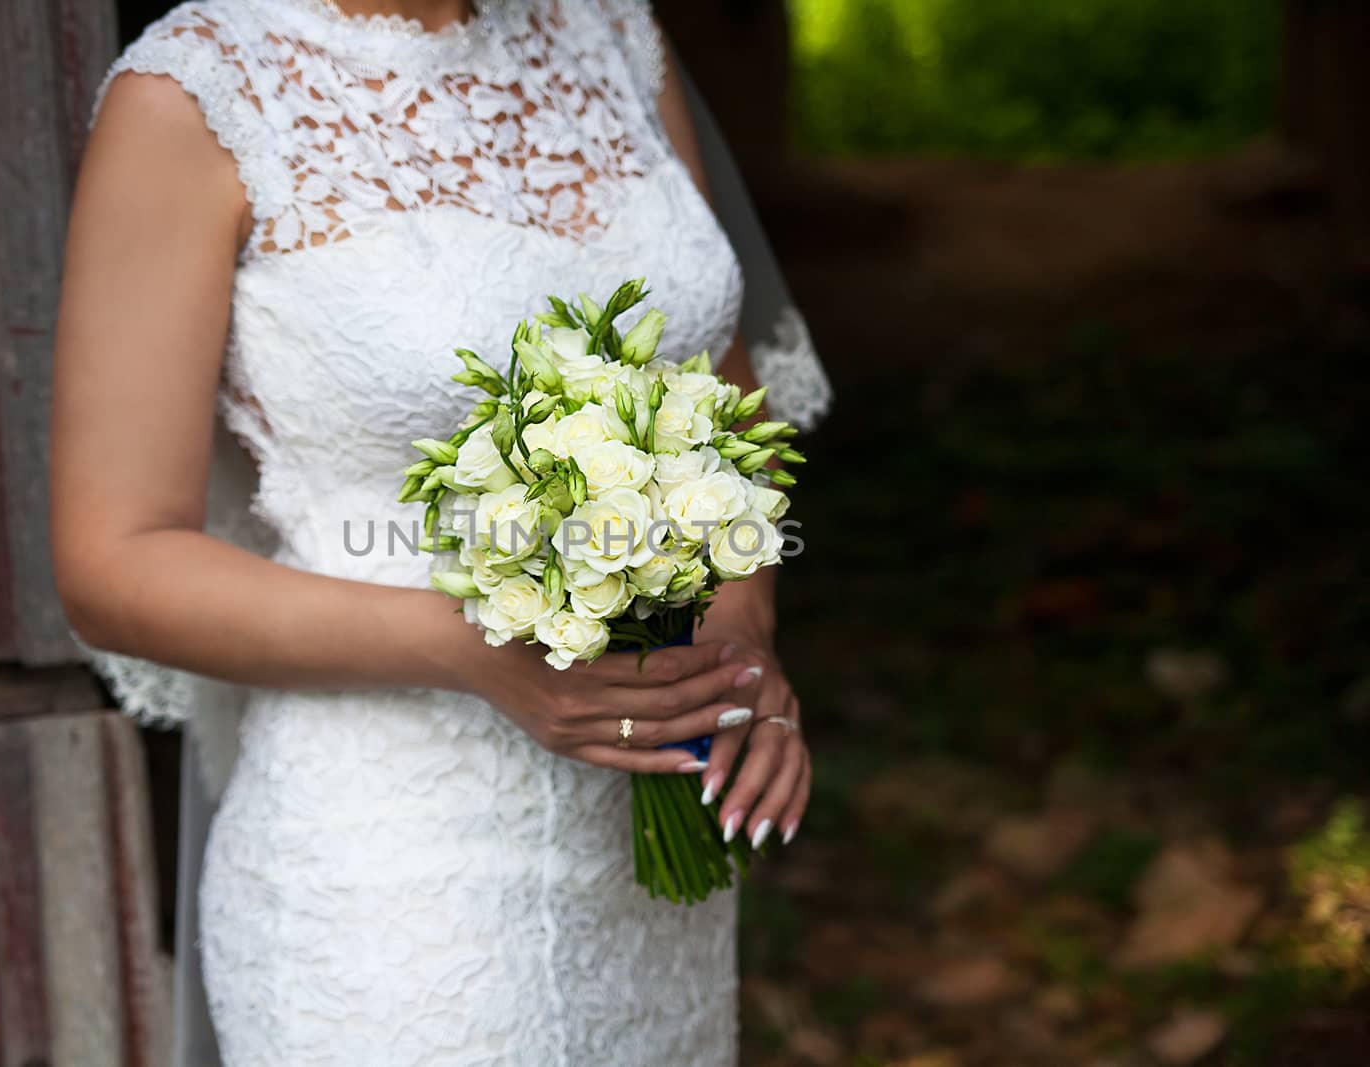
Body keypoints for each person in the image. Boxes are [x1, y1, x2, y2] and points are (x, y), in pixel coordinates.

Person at [49, 0, 830, 1062]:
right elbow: (114, 559)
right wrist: (473, 649)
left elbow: (728, 405)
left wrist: (737, 640)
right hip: (394, 878)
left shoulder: (606, 33)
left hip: (644, 855)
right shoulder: (197, 94)